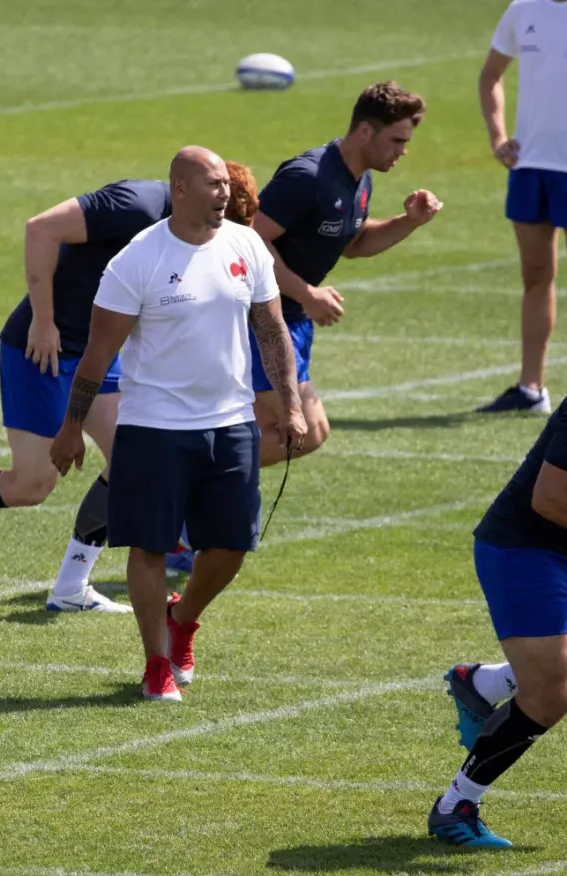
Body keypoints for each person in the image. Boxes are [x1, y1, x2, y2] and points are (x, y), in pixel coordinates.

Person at [0, 163, 262, 612]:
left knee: (131, 460)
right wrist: (43, 320)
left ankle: (70, 587)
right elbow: (41, 228)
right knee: (32, 484)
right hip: (44, 349)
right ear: (188, 195)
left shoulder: (191, 236)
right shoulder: (134, 204)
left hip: (99, 352)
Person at [50, 147, 306, 702]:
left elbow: (271, 329)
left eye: (226, 186)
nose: (225, 195)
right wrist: (72, 426)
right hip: (152, 427)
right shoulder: (136, 260)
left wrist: (288, 403)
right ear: (181, 189)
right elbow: (97, 354)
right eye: (213, 185)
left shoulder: (246, 246)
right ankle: (156, 663)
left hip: (231, 421)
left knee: (231, 547)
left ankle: (182, 618)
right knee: (149, 547)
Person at [251, 81, 441, 463]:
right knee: (308, 428)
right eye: (397, 140)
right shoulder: (308, 177)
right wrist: (307, 293)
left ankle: (199, 500)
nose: (403, 151)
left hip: (294, 321)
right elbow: (253, 239)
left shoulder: (360, 179)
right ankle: (180, 478)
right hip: (261, 320)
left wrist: (409, 222)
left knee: (264, 430)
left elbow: (353, 243)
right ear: (365, 131)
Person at [427, 396, 567, 849]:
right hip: (527, 550)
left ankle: (487, 684)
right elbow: (551, 499)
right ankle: (456, 805)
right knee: (551, 692)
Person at [476, 0, 567, 413]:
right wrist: (499, 138)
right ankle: (531, 389)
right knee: (535, 275)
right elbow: (491, 74)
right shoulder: (522, 9)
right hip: (531, 166)